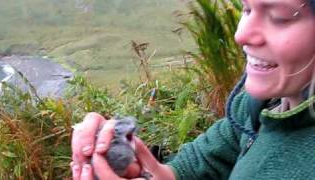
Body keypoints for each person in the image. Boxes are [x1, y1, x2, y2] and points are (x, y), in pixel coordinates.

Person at [71, 0, 315, 179]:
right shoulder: (262, 103)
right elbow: (202, 162)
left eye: (278, 17)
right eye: (247, 8)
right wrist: (148, 169)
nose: (241, 35)